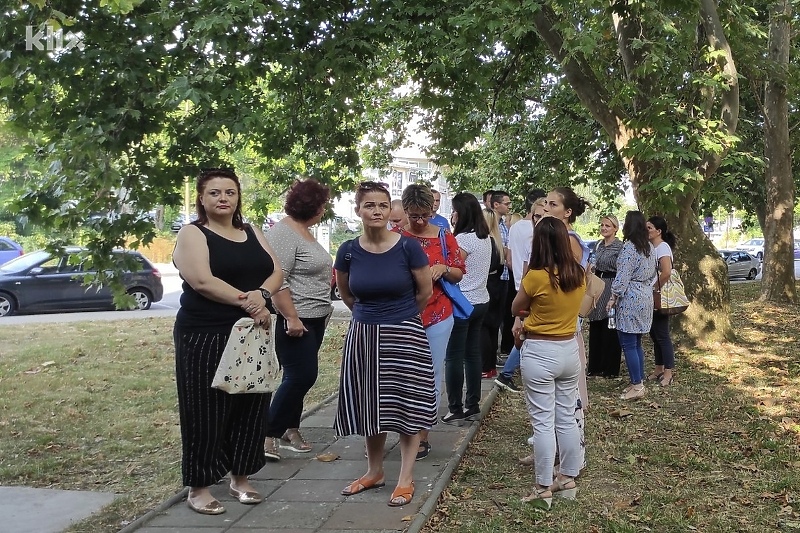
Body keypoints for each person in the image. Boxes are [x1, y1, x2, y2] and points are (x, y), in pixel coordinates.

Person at [173, 168, 284, 515]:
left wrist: (263, 293)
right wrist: (250, 302)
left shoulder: (251, 231)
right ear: (201, 199)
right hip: (207, 332)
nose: (223, 198)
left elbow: (277, 271)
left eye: (230, 192)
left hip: (254, 331)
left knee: (251, 403)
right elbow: (203, 281)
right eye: (215, 193)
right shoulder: (193, 234)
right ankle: (200, 485)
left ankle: (241, 476)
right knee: (206, 408)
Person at [334, 181, 435, 507]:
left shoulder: (408, 248)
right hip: (364, 334)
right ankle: (374, 471)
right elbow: (347, 294)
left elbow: (425, 293)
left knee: (406, 404)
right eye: (369, 206)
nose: (376, 211)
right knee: (370, 403)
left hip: (405, 333)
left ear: (389, 210)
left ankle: (405, 478)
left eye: (381, 205)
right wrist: (371, 316)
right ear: (358, 210)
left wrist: (401, 317)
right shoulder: (348, 250)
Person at [510, 217, 585, 508]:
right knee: (566, 417)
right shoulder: (577, 273)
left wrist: (527, 316)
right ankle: (567, 477)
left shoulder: (536, 277)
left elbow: (516, 306)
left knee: (543, 422)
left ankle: (542, 487)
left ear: (538, 243)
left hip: (540, 350)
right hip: (569, 349)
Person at [263, 179, 333, 461]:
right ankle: (267, 434)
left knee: (301, 378)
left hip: (315, 317)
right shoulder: (284, 233)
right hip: (296, 318)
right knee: (302, 375)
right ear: (311, 205)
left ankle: (291, 429)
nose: (325, 209)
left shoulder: (303, 231)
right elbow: (278, 279)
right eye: (323, 204)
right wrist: (290, 316)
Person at [397, 183, 464, 459]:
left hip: (438, 315)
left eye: (425, 214)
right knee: (401, 376)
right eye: (414, 215)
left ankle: (422, 435)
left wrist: (444, 268)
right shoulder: (395, 238)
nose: (420, 220)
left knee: (432, 375)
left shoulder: (444, 236)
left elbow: (460, 272)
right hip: (402, 316)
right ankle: (401, 428)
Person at [442, 192, 492, 423]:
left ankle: (455, 407)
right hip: (481, 299)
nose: (451, 214)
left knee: (454, 356)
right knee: (472, 354)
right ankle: (473, 403)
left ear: (461, 213)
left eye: (453, 210)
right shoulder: (485, 237)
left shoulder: (462, 240)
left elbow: (454, 269)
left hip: (463, 302)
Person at [542, 187, 591, 409]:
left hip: (564, 312)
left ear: (567, 211)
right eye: (546, 203)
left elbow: (568, 278)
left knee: (563, 373)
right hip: (560, 312)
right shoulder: (559, 235)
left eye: (554, 205)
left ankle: (567, 417)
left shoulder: (567, 239)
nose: (547, 208)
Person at [495, 190, 546, 393]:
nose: (540, 220)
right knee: (526, 332)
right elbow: (527, 267)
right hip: (529, 288)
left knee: (527, 331)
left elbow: (510, 257)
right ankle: (507, 373)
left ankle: (509, 373)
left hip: (519, 284)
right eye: (538, 215)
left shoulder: (515, 227)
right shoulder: (534, 239)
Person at [607, 211, 657, 400]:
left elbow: (622, 277)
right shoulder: (649, 247)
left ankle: (637, 385)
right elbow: (653, 273)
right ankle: (638, 381)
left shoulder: (630, 247)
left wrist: (613, 297)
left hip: (631, 298)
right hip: (645, 295)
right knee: (636, 343)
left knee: (628, 343)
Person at [586, 215, 623, 378]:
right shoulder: (598, 245)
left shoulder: (620, 247)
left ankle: (610, 368)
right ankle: (595, 365)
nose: (604, 228)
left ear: (615, 228)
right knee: (596, 324)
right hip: (597, 284)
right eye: (602, 225)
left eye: (607, 225)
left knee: (610, 325)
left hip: (612, 283)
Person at [647, 215, 677, 387]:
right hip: (653, 294)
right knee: (654, 333)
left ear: (659, 231)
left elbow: (666, 272)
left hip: (660, 295)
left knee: (662, 334)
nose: (646, 231)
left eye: (649, 228)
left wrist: (653, 288)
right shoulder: (652, 247)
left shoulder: (663, 247)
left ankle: (668, 372)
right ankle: (659, 368)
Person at [480, 207, 507, 378]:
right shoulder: (497, 243)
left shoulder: (484, 243)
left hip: (487, 286)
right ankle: (490, 366)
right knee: (492, 328)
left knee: (483, 328)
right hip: (498, 286)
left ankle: (485, 366)